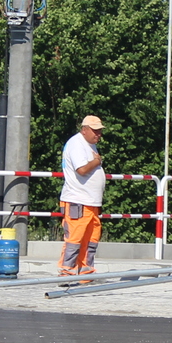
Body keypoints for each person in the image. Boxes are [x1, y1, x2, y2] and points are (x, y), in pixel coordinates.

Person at [60, 115, 106, 276]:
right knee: (75, 239)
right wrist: (97, 161)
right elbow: (82, 170)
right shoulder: (76, 144)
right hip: (77, 201)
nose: (98, 134)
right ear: (84, 129)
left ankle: (85, 272)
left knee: (91, 238)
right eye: (95, 131)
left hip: (90, 202)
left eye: (100, 131)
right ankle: (66, 271)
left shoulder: (88, 144)